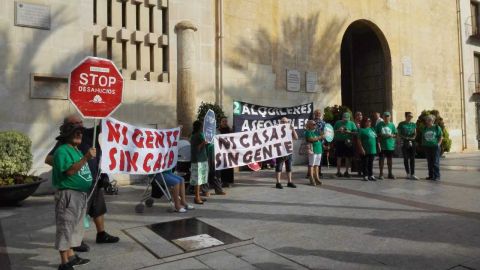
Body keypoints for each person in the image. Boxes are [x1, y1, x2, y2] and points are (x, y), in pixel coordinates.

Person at [45, 115, 119, 253]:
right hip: (76, 186)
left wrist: (105, 109)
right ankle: (75, 243)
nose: (80, 125)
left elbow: (105, 126)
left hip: (94, 180)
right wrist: (67, 168)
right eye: (76, 123)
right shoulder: (65, 141)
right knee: (76, 215)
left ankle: (101, 234)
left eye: (81, 122)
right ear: (68, 127)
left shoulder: (90, 133)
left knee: (98, 208)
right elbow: (48, 159)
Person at [52, 121, 95, 270]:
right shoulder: (62, 151)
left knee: (75, 228)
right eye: (75, 132)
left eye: (80, 132)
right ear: (66, 135)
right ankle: (64, 264)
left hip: (79, 195)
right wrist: (86, 158)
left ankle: (71, 257)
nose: (79, 134)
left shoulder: (75, 149)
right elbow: (69, 171)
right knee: (65, 228)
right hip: (68, 195)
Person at [275, 117, 298, 189]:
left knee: (289, 167)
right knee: (279, 167)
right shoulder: (277, 130)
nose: (285, 123)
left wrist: (293, 129)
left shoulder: (290, 130)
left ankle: (289, 182)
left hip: (289, 151)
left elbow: (296, 138)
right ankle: (278, 182)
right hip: (280, 151)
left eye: (286, 122)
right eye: (283, 122)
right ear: (280, 122)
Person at [190, 120, 209, 204]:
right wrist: (203, 143)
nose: (203, 128)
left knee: (201, 179)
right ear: (199, 127)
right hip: (198, 160)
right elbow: (196, 148)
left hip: (202, 159)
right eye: (202, 126)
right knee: (197, 180)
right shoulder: (196, 136)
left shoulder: (198, 135)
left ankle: (198, 196)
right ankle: (197, 197)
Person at [333, 112, 357, 177]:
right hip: (339, 141)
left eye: (346, 119)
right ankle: (338, 172)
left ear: (349, 118)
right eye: (344, 119)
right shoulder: (338, 123)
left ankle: (346, 172)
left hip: (348, 142)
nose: (345, 120)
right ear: (342, 118)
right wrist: (338, 130)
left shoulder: (352, 123)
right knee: (339, 157)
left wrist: (349, 132)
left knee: (348, 157)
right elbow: (332, 131)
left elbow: (356, 133)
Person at [376, 112, 397, 179]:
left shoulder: (392, 125)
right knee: (381, 160)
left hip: (390, 145)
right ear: (383, 117)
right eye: (385, 116)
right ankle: (381, 174)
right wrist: (381, 135)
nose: (386, 117)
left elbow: (396, 134)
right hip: (382, 145)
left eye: (388, 116)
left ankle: (390, 173)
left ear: (390, 117)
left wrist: (392, 135)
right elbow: (375, 134)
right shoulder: (379, 125)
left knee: (390, 160)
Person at [397, 112, 418, 180]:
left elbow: (415, 133)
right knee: (406, 158)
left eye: (411, 116)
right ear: (406, 116)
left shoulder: (413, 124)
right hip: (404, 141)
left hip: (412, 142)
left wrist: (413, 137)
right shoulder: (401, 124)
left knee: (412, 158)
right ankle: (408, 173)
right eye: (409, 116)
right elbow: (399, 133)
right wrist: (404, 138)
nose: (410, 117)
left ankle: (413, 174)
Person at [421, 115, 443, 181]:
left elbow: (441, 136)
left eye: (429, 120)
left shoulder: (436, 127)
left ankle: (437, 176)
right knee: (429, 162)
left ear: (433, 120)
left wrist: (438, 144)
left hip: (435, 147)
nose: (428, 121)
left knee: (435, 162)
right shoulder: (425, 128)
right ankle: (431, 176)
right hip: (427, 147)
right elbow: (423, 137)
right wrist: (423, 144)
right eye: (427, 120)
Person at [304, 120, 323, 186]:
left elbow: (323, 135)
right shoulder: (308, 132)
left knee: (317, 165)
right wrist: (320, 137)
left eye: (315, 124)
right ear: (309, 125)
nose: (315, 125)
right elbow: (311, 139)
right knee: (311, 165)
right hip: (312, 150)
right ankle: (311, 178)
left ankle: (317, 178)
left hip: (319, 149)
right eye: (313, 124)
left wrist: (321, 134)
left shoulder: (317, 131)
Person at [217, 117, 235, 187]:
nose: (225, 122)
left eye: (226, 121)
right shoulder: (218, 130)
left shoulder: (229, 130)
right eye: (223, 121)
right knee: (222, 167)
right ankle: (222, 181)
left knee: (229, 167)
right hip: (221, 152)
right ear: (220, 122)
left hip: (229, 151)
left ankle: (228, 182)